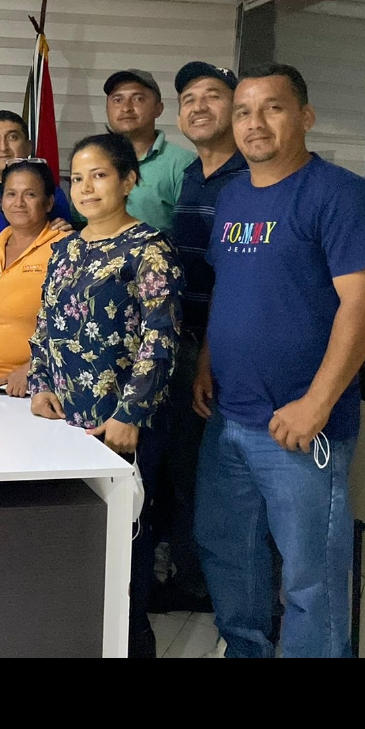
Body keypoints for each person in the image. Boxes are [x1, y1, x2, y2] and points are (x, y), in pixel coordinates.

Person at [194, 66, 365, 660]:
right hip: (228, 417)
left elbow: (364, 305)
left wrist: (316, 404)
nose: (255, 123)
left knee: (311, 576)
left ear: (305, 116)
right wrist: (206, 362)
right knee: (229, 552)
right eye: (244, 111)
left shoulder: (340, 194)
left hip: (300, 426)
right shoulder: (232, 197)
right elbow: (230, 288)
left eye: (272, 108)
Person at [30, 133, 183, 658]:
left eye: (99, 175)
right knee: (76, 538)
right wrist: (40, 385)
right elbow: (45, 323)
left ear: (128, 180)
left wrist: (131, 414)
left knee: (127, 544)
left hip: (123, 426)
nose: (86, 188)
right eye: (77, 178)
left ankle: (132, 644)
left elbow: (161, 337)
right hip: (65, 423)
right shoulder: (66, 247)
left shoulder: (150, 248)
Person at [156, 63, 246, 613]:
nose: (198, 107)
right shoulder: (191, 175)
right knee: (184, 471)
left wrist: (208, 356)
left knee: (225, 480)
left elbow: (233, 279)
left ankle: (231, 592)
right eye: (189, 98)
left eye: (213, 95)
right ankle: (195, 582)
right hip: (181, 341)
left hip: (224, 348)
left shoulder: (251, 176)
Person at [0, 161, 73, 394]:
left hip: (43, 387)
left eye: (30, 194)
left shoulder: (66, 249)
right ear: (1, 201)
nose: (18, 203)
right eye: (11, 194)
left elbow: (76, 324)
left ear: (49, 202)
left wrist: (33, 369)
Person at [103, 72, 191, 234]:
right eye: (117, 100)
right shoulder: (94, 159)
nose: (126, 108)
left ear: (159, 109)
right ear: (107, 109)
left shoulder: (183, 163)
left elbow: (190, 233)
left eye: (138, 99)